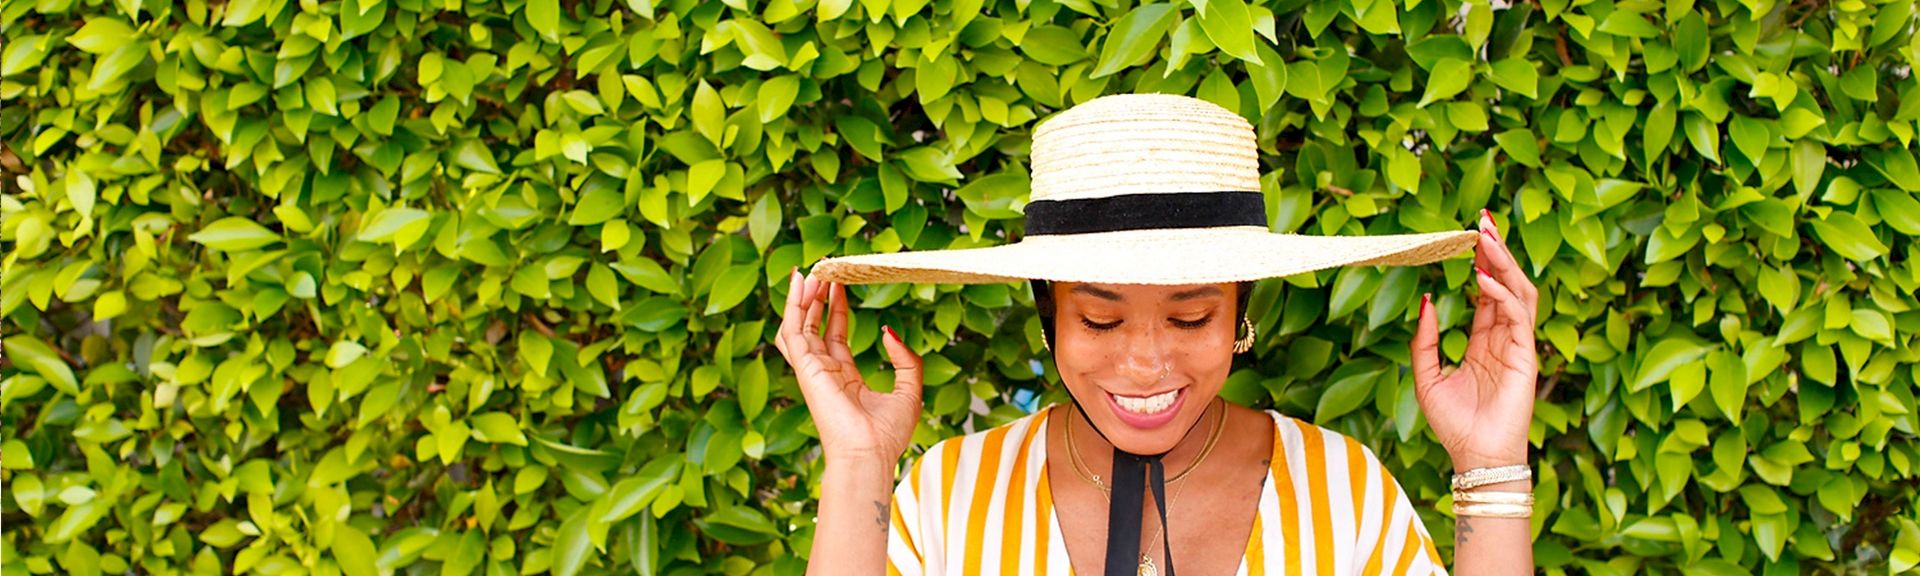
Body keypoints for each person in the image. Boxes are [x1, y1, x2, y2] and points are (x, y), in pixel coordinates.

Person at [776, 93, 1539, 575]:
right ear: (1048, 316)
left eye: (1190, 316)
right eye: (1100, 319)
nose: (1145, 363)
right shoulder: (952, 496)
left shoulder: (1341, 489)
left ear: (1241, 312)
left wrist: (1490, 461)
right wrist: (858, 463)